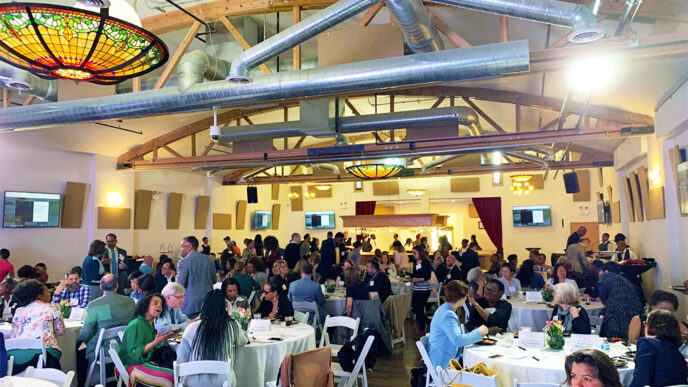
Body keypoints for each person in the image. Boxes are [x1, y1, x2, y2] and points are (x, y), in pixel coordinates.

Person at [176, 289, 249, 387]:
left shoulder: (192, 328)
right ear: (224, 307)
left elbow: (181, 361)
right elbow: (243, 341)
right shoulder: (232, 325)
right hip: (222, 382)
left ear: (204, 306)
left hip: (193, 383)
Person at [118, 294, 176, 387]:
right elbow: (135, 353)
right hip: (132, 364)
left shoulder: (149, 323)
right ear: (145, 306)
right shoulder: (136, 324)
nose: (159, 306)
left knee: (173, 368)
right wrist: (155, 342)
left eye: (161, 304)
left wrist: (164, 336)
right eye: (155, 303)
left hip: (143, 361)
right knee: (170, 378)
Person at [429, 280, 489, 369]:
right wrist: (479, 332)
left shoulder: (443, 308)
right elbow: (458, 340)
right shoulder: (448, 314)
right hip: (444, 364)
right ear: (462, 298)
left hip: (440, 357)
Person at [79, 274, 135, 368]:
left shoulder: (94, 305)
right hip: (128, 344)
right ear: (117, 285)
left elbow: (86, 333)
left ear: (100, 286)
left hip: (104, 347)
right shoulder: (130, 301)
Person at [10, 280, 64, 371]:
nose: (50, 294)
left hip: (18, 353)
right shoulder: (52, 307)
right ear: (40, 296)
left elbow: (14, 334)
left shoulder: (19, 311)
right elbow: (60, 331)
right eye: (47, 291)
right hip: (44, 351)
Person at [630, 310, 688, 387]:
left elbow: (641, 379)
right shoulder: (675, 347)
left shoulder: (647, 343)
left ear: (650, 326)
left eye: (645, 324)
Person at [598, 262, 644, 340]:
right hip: (635, 309)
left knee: (616, 334)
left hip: (616, 310)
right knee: (630, 334)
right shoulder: (624, 279)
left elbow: (602, 292)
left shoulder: (606, 277)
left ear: (605, 271)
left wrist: (604, 302)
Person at [177, 236, 216, 319]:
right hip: (208, 302)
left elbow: (179, 285)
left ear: (190, 246)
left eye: (182, 246)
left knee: (191, 330)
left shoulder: (183, 262)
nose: (181, 249)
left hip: (191, 305)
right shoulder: (209, 260)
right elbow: (214, 280)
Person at [410, 246, 433, 337]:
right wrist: (411, 278)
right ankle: (427, 321)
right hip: (416, 288)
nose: (413, 255)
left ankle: (421, 330)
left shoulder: (426, 262)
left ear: (420, 253)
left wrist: (417, 280)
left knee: (420, 308)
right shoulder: (415, 262)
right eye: (413, 253)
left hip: (424, 289)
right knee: (414, 307)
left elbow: (427, 276)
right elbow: (415, 273)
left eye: (415, 253)